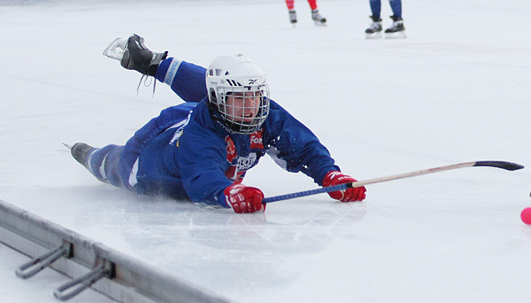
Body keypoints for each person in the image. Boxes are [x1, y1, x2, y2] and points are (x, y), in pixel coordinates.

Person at [69, 35, 366, 213]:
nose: (251, 106)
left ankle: (153, 62)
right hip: (147, 154)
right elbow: (201, 178)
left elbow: (302, 146)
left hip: (194, 111)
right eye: (240, 98)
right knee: (113, 165)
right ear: (220, 100)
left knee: (220, 92)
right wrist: (228, 193)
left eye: (255, 96)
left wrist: (330, 176)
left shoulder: (261, 112)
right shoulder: (201, 136)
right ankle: (92, 155)